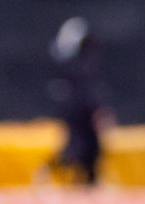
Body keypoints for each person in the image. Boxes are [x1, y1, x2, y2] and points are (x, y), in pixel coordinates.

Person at [47, 17, 109, 185]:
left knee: (89, 146)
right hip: (79, 108)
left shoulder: (75, 61)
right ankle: (51, 172)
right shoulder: (77, 64)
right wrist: (97, 108)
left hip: (80, 107)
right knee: (78, 146)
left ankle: (89, 180)